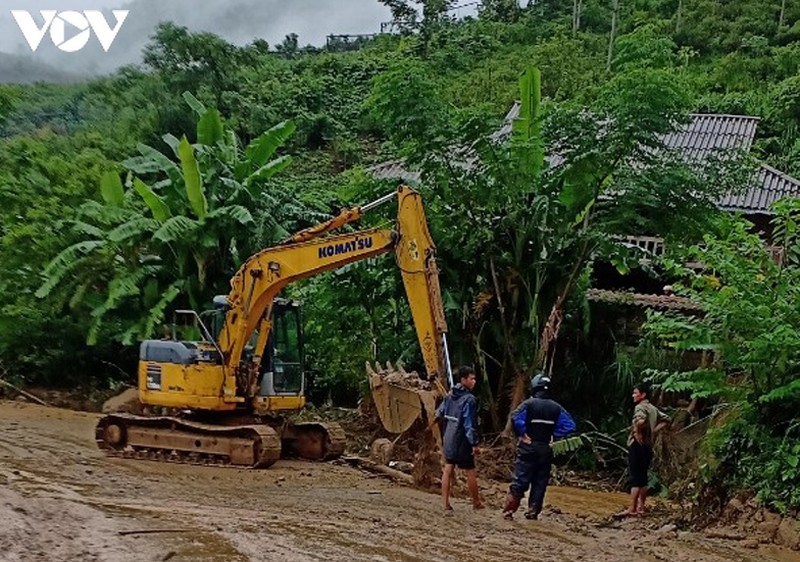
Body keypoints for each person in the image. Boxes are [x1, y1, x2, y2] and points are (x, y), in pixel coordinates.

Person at [503, 372, 576, 520]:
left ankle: (509, 510)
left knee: (520, 478)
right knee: (540, 481)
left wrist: (522, 434)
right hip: (545, 448)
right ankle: (533, 510)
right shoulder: (556, 408)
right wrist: (554, 435)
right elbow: (570, 425)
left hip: (528, 446)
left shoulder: (528, 404)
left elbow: (516, 417)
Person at [436, 365, 483, 513]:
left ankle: (445, 503)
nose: (474, 381)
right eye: (471, 378)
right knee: (470, 471)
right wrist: (474, 443)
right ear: (463, 380)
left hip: (449, 437)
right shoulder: (469, 400)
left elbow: (439, 412)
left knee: (448, 469)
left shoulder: (449, 395)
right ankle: (476, 502)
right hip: (462, 439)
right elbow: (469, 423)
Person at [622, 382, 671, 517]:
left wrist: (638, 431)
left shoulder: (640, 407)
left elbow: (641, 421)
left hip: (637, 445)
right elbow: (667, 419)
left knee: (635, 477)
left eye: (636, 392)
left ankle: (632, 507)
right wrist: (654, 430)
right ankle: (641, 507)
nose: (633, 395)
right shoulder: (653, 408)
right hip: (648, 446)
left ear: (643, 395)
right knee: (643, 477)